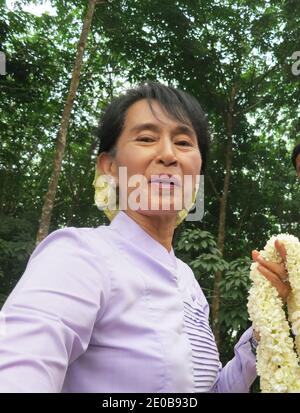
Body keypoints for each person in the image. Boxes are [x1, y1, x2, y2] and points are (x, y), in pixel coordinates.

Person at [0, 81, 287, 393]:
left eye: (183, 143)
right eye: (147, 138)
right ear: (108, 166)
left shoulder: (187, 281)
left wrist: (266, 327)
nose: (168, 155)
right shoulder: (79, 255)